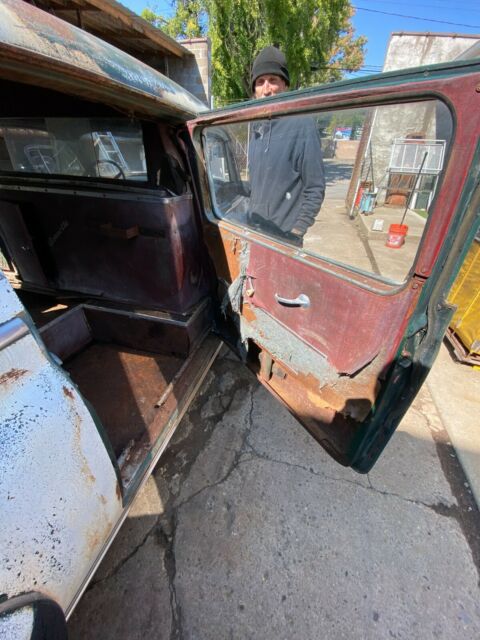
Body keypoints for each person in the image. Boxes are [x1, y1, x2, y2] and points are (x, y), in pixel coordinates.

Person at [247, 46, 325, 247]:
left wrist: (297, 231)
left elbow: (315, 187)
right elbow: (262, 185)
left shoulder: (301, 124)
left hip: (284, 238)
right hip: (255, 232)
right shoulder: (255, 128)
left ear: (285, 86)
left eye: (273, 80)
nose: (266, 89)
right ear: (254, 90)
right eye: (260, 82)